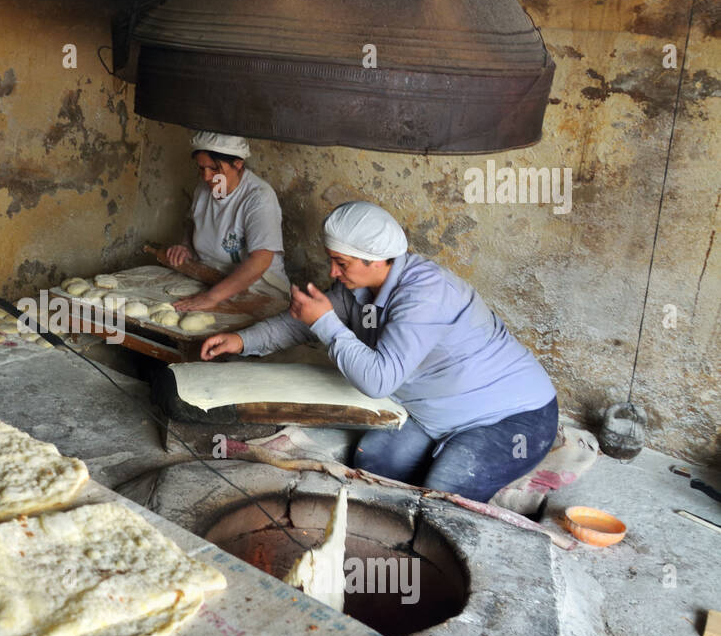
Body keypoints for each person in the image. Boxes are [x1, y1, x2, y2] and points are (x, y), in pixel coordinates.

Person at [200, 201, 559, 503]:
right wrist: (244, 341)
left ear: (376, 260)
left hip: (511, 415)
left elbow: (378, 379)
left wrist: (325, 322)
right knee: (372, 461)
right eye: (332, 260)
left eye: (342, 263)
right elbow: (304, 320)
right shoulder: (359, 288)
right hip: (431, 412)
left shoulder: (424, 294)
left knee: (445, 489)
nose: (332, 271)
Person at [164, 132, 291, 311]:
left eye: (214, 169)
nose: (206, 177)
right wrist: (185, 246)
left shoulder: (259, 198)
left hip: (259, 289)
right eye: (201, 168)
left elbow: (260, 261)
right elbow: (193, 222)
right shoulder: (204, 188)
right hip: (211, 276)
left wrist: (212, 297)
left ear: (238, 164)